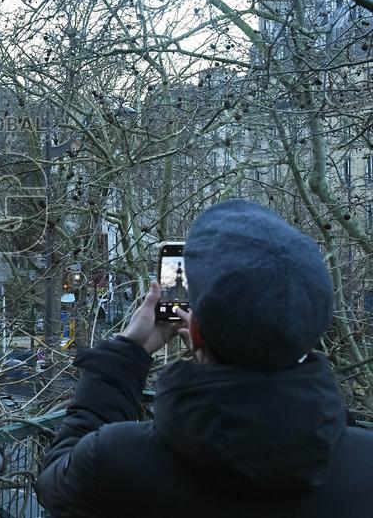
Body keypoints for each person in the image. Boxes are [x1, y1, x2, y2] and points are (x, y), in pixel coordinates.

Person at [38, 200, 373, 517]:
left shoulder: (117, 460)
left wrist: (127, 353)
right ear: (311, 331)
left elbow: (55, 484)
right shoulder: (363, 462)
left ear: (195, 333)